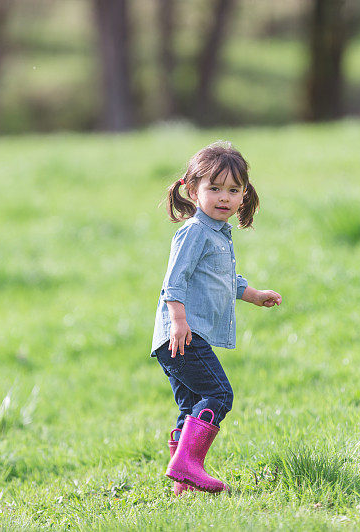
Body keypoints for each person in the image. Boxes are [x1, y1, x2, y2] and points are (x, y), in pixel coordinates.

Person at [151, 141, 282, 494]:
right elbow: (173, 281)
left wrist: (252, 295)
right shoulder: (195, 231)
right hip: (183, 333)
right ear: (193, 191)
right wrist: (178, 320)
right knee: (219, 395)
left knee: (192, 403)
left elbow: (219, 278)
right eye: (214, 188)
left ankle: (183, 481)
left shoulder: (217, 234)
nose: (224, 197)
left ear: (244, 195)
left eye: (233, 190)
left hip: (178, 336)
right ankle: (189, 465)